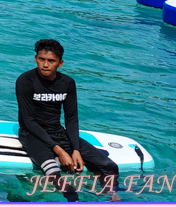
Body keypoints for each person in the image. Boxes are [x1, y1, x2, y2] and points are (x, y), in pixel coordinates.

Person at [16, 39, 120, 202]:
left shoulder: (67, 83)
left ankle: (111, 195)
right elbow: (29, 121)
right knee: (54, 174)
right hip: (31, 134)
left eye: (51, 61)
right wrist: (60, 151)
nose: (45, 65)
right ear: (36, 59)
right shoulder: (25, 81)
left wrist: (76, 150)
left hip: (57, 132)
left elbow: (71, 119)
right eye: (41, 59)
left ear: (60, 63)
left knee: (109, 166)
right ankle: (74, 200)